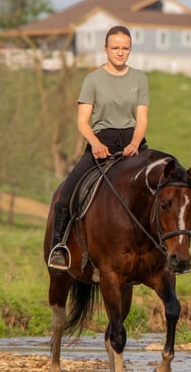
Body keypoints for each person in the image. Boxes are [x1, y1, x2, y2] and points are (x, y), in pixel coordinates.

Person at [47, 25, 150, 270]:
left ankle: (163, 252)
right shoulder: (92, 80)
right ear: (106, 49)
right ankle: (59, 248)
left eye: (125, 48)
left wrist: (136, 143)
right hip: (101, 141)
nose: (120, 52)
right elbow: (82, 121)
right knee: (66, 194)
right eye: (115, 48)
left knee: (161, 190)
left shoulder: (139, 78)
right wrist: (95, 144)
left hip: (133, 142)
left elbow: (142, 119)